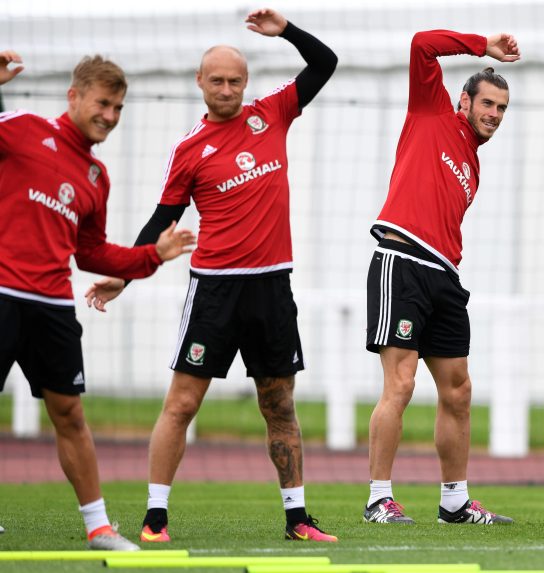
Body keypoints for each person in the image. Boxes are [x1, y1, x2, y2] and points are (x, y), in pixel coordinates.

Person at [89, 8, 339, 543]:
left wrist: (287, 31)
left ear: (246, 83)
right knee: (181, 402)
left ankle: (298, 519)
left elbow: (325, 63)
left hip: (272, 285)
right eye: (217, 80)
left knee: (279, 404)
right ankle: (155, 518)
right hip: (216, 290)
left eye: (235, 80)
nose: (226, 88)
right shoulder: (188, 150)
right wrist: (123, 275)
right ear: (200, 83)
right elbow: (162, 220)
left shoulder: (272, 113)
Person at [0, 50, 195, 551]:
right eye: (103, 103)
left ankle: (99, 527)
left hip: (52, 307)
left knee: (70, 415)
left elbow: (91, 253)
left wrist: (152, 255)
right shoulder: (21, 130)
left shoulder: (95, 178)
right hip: (1, 295)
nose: (109, 116)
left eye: (118, 108)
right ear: (75, 96)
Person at [363, 30, 519, 525]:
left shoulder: (473, 164)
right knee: (401, 384)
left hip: (445, 277)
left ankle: (454, 501)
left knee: (459, 391)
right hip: (402, 262)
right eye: (487, 104)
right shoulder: (430, 113)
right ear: (464, 100)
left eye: (501, 109)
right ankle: (378, 499)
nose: (493, 114)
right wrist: (483, 46)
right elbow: (421, 45)